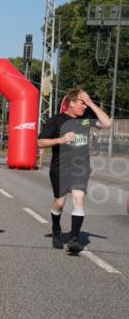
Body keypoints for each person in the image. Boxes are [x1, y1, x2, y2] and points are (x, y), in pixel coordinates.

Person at [37, 88, 111, 254]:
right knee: (60, 202)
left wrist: (91, 103)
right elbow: (41, 143)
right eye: (82, 103)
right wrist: (62, 139)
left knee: (78, 198)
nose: (84, 107)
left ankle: (74, 239)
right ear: (71, 103)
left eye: (86, 104)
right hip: (60, 167)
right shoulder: (56, 120)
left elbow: (107, 123)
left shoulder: (86, 119)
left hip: (81, 167)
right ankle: (57, 229)